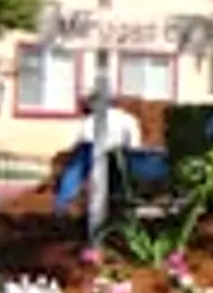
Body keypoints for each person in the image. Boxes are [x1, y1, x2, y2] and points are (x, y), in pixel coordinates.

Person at [52, 87, 147, 215]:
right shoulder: (128, 119)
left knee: (74, 169)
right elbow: (135, 144)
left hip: (94, 153)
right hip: (120, 158)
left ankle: (62, 204)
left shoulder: (92, 120)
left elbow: (80, 140)